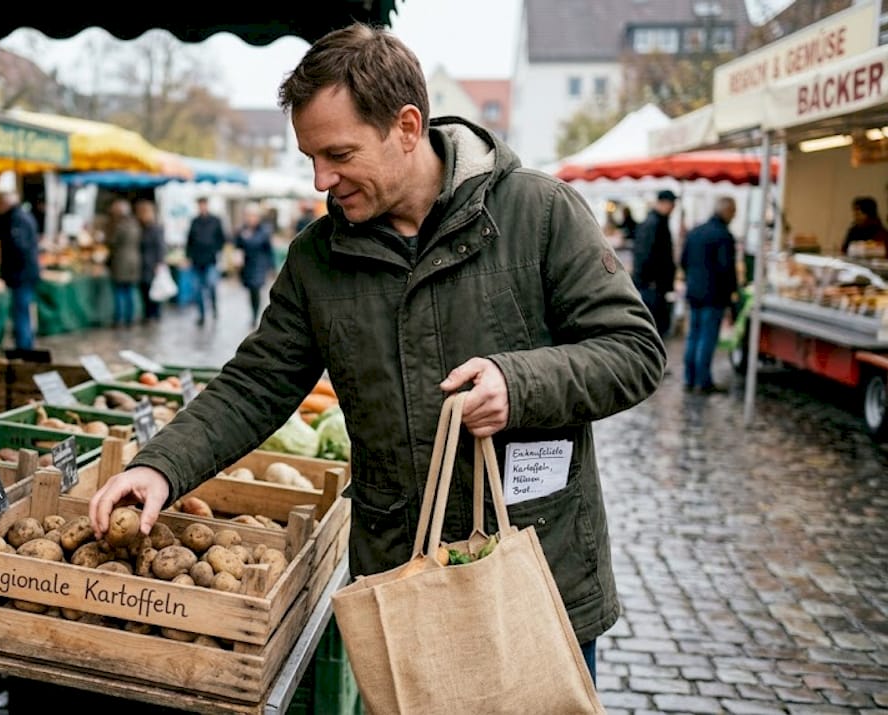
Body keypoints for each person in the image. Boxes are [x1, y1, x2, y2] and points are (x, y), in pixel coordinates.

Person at [87, 21, 665, 683]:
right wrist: (161, 468)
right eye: (310, 157)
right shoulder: (317, 259)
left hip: (534, 573)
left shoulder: (539, 213)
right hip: (400, 574)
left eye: (337, 154)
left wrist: (520, 382)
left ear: (407, 125)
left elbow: (634, 350)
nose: (319, 179)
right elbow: (255, 384)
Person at [681, 197, 740, 394]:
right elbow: (727, 269)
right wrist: (732, 295)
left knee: (693, 336)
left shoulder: (695, 232)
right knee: (707, 338)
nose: (735, 215)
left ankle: (689, 378)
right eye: (733, 211)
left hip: (694, 292)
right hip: (713, 295)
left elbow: (683, 261)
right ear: (727, 211)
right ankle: (703, 381)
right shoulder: (724, 236)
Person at [0, 191, 40, 350]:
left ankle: (24, 348)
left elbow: (19, 247)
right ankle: (25, 344)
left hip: (21, 274)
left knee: (21, 311)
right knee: (23, 311)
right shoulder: (23, 216)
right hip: (26, 272)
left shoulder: (16, 220)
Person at [632, 189, 678, 338]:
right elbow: (644, 255)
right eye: (672, 204)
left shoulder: (657, 222)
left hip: (653, 285)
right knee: (653, 330)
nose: (673, 208)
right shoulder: (654, 224)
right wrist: (650, 281)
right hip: (652, 286)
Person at [186, 196, 227, 326]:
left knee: (211, 285)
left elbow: (222, 238)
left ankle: (214, 308)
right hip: (197, 261)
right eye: (200, 204)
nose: (202, 207)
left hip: (210, 260)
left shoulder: (215, 220)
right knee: (198, 290)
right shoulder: (194, 221)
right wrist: (188, 256)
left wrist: (216, 250)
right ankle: (202, 315)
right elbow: (189, 240)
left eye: (203, 204)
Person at [235, 202, 275, 326]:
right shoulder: (242, 230)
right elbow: (238, 246)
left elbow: (268, 249)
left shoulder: (264, 230)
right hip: (247, 265)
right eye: (248, 216)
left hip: (259, 265)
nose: (251, 218)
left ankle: (255, 315)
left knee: (256, 288)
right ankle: (253, 312)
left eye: (253, 216)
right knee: (251, 291)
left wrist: (271, 266)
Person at [106, 197, 142, 328]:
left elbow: (112, 242)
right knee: (130, 291)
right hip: (134, 261)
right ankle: (130, 318)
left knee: (120, 291)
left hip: (121, 261)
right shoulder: (135, 224)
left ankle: (119, 319)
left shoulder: (120, 226)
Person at [136, 199, 166, 323]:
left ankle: (154, 314)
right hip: (144, 263)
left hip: (152, 264)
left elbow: (160, 246)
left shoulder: (155, 228)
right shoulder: (143, 228)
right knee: (145, 290)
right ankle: (148, 314)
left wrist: (159, 262)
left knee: (153, 290)